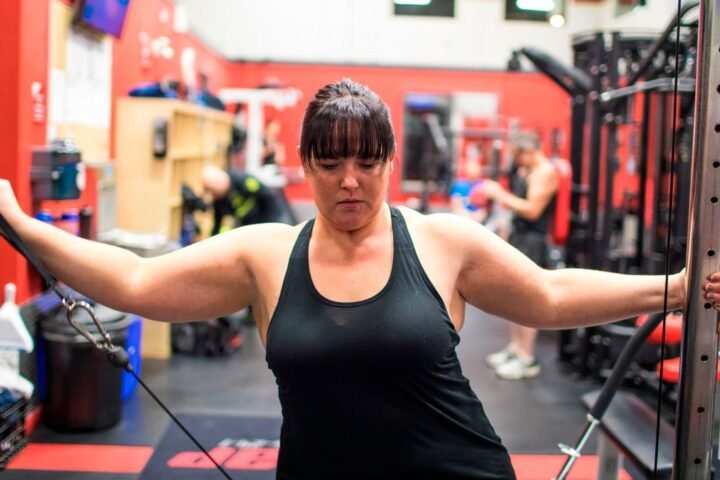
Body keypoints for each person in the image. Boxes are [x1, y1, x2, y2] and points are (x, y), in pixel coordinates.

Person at [0, 78, 710, 479]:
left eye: (367, 162)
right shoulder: (267, 254)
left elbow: (550, 295)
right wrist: (21, 224)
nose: (349, 182)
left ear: (389, 163)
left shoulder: (440, 242)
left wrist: (675, 287)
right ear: (304, 164)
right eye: (331, 163)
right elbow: (131, 279)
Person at [477, 133, 559, 380]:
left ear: (529, 151)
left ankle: (527, 358)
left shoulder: (545, 172)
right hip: (519, 237)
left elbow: (533, 210)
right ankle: (516, 349)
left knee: (528, 299)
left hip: (534, 241)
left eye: (518, 156)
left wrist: (499, 194)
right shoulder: (526, 170)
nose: (516, 162)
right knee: (513, 296)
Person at [201, 165, 286, 235]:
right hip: (251, 228)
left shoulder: (243, 180)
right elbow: (217, 224)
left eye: (214, 190)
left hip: (272, 220)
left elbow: (268, 196)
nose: (214, 194)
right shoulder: (218, 200)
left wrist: (272, 226)